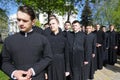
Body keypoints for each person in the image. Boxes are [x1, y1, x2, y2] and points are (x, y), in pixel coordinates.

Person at [1, 5, 52, 80]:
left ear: (33, 22)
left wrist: (33, 70)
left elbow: (48, 58)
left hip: (38, 77)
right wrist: (14, 73)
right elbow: (4, 61)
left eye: (25, 20)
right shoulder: (9, 40)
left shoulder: (42, 39)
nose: (20, 23)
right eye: (18, 20)